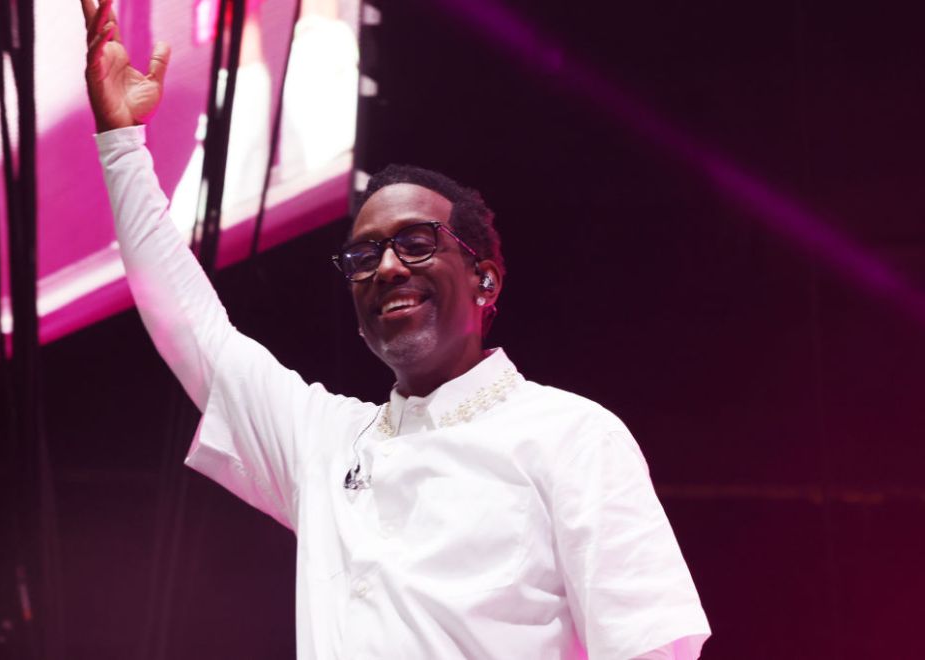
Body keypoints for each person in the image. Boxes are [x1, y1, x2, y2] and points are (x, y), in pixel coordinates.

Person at [81, 1, 711, 657]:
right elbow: (189, 325)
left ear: (485, 280)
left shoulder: (572, 436)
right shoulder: (325, 443)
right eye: (364, 255)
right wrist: (121, 144)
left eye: (415, 243)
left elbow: (651, 650)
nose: (385, 267)